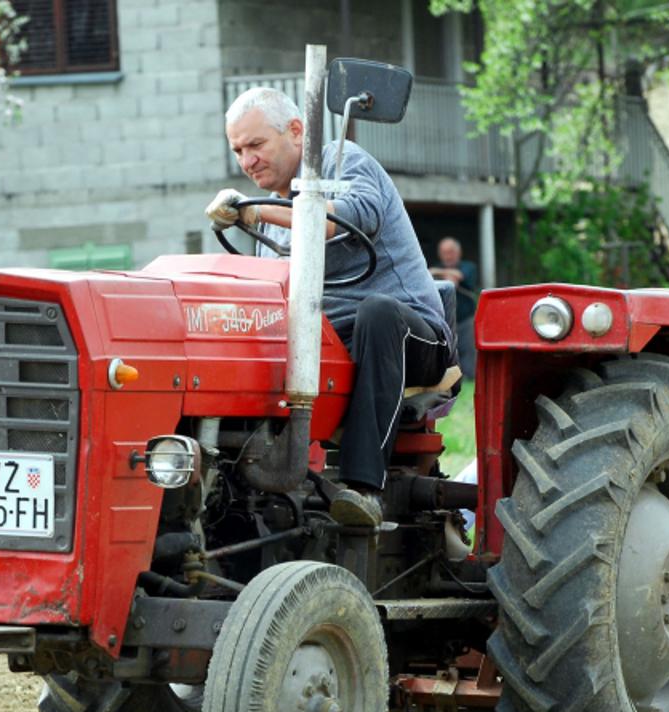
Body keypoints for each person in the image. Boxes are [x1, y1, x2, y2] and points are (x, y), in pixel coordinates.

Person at [205, 86, 456, 528]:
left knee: (378, 312)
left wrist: (257, 214)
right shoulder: (272, 218)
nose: (247, 161)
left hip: (412, 336)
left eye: (256, 145)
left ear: (297, 131)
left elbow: (352, 215)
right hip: (331, 347)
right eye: (238, 151)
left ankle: (363, 490)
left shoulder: (344, 161)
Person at [428, 237, 480, 378]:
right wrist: (446, 275)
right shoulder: (437, 268)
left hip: (466, 319)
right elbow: (428, 273)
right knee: (447, 354)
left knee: (469, 353)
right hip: (444, 321)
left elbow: (460, 276)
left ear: (458, 252)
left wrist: (440, 273)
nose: (448, 256)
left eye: (451, 252)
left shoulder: (468, 266)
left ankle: (471, 379)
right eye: (444, 252)